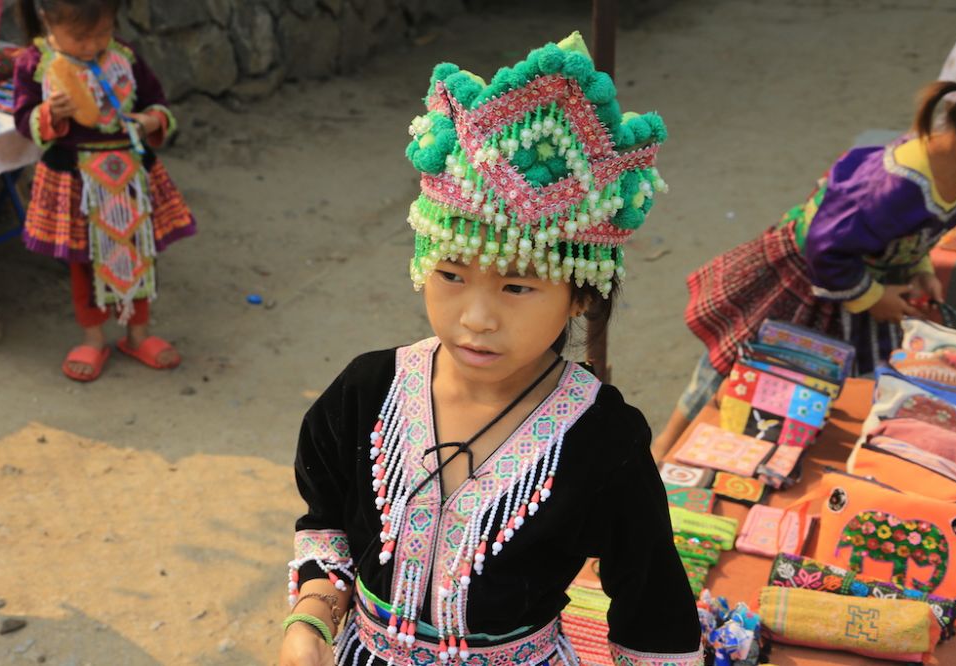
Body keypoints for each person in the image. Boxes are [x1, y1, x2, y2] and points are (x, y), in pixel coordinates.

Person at [279, 32, 703, 666]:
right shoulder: (367, 391)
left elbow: (652, 608)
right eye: (451, 275)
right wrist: (311, 618)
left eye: (516, 283)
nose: (477, 318)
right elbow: (329, 523)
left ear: (579, 296)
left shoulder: (602, 440)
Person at [651, 61, 956, 461]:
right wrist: (875, 298)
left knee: (823, 386)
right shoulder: (894, 186)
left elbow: (910, 235)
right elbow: (825, 248)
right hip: (807, 281)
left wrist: (920, 270)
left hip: (856, 283)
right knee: (740, 366)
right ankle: (665, 447)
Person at [12, 0, 194, 381]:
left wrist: (149, 120)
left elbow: (158, 103)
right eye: (80, 37)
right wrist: (50, 114)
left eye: (102, 33)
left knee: (138, 253)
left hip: (129, 179)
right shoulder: (35, 63)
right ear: (48, 19)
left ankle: (137, 333)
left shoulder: (124, 57)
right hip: (75, 183)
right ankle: (93, 338)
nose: (93, 45)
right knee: (83, 262)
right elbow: (24, 121)